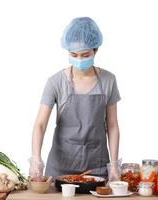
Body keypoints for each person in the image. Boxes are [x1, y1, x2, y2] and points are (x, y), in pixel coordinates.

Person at [29, 17, 121, 181]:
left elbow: (112, 125)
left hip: (97, 168)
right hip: (60, 168)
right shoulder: (56, 82)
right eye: (74, 54)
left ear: (95, 50)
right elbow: (40, 124)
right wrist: (36, 159)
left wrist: (114, 164)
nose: (79, 59)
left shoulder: (108, 80)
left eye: (85, 54)